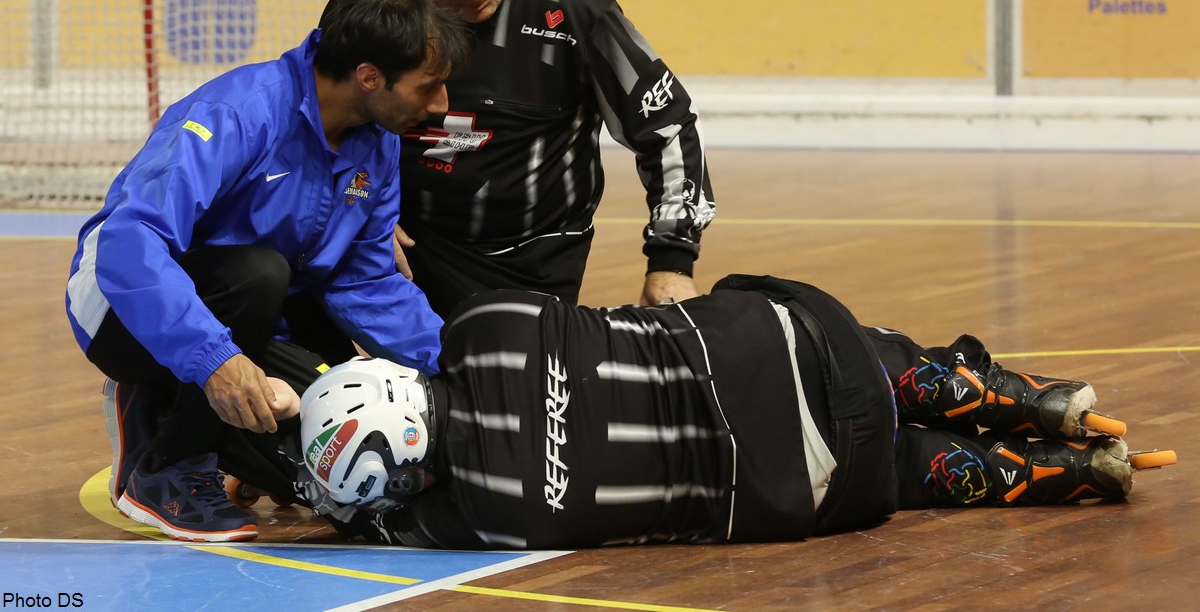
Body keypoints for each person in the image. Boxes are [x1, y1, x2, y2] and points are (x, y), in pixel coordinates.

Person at [245, 274, 1167, 550]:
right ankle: (1024, 397)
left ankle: (1060, 476)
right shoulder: (485, 322)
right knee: (853, 354)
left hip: (809, 484)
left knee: (892, 468)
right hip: (792, 345)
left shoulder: (478, 515)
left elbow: (380, 521)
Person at [64, 0, 470, 543]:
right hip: (119, 308)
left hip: (246, 311)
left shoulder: (374, 140)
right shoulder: (236, 112)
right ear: (370, 77)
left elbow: (366, 281)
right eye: (428, 86)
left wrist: (459, 363)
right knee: (259, 275)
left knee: (337, 447)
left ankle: (175, 397)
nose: (442, 105)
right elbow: (131, 244)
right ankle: (165, 468)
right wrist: (215, 361)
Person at [320, 0, 716, 317]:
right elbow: (316, 128)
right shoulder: (359, 11)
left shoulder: (572, 6)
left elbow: (668, 125)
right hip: (395, 242)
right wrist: (358, 211)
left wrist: (672, 260)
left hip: (529, 258)